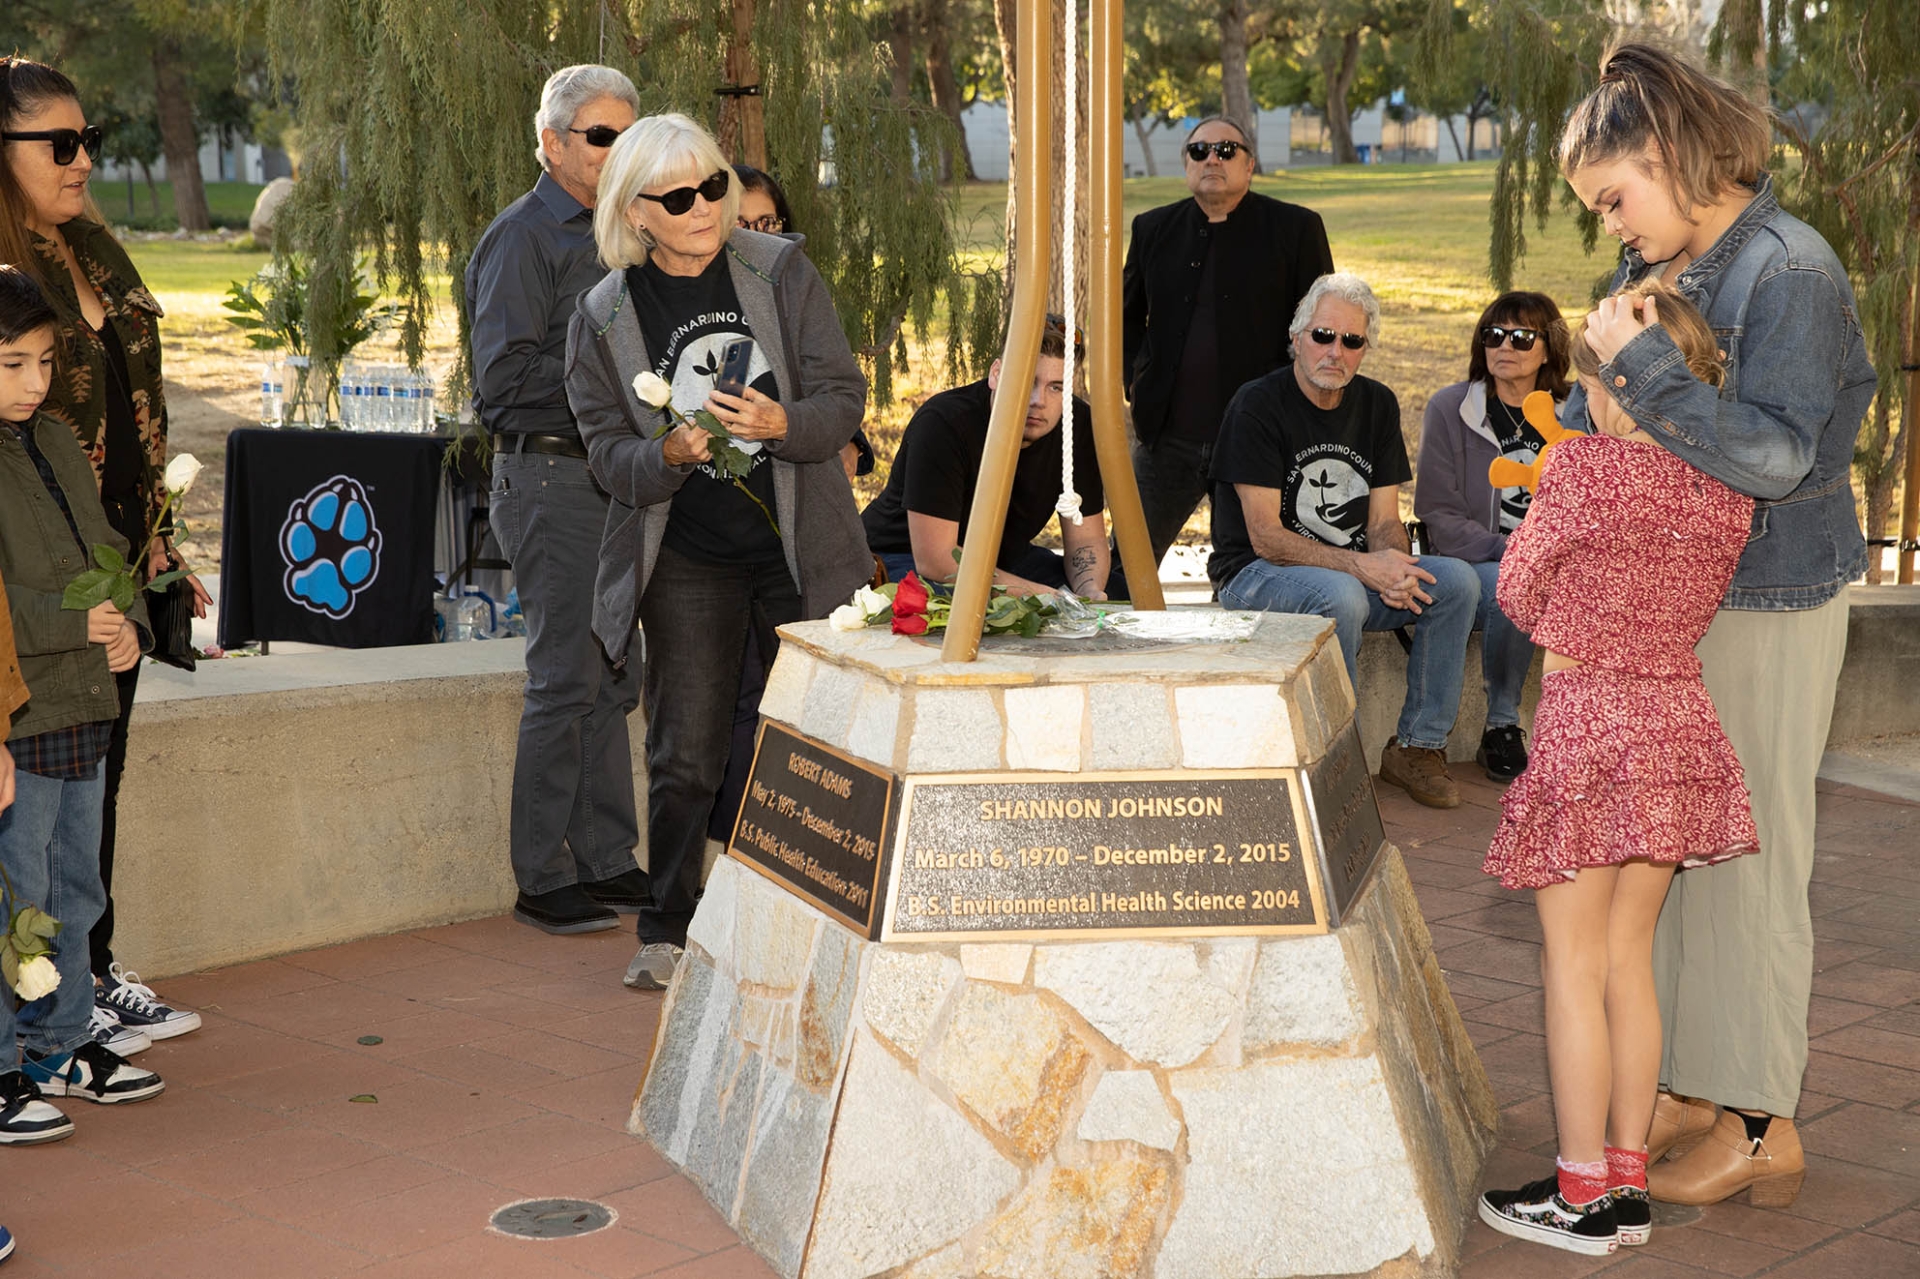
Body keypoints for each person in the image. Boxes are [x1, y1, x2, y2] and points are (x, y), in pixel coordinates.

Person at [1561, 42, 1875, 1209]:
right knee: (1681, 852)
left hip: (1774, 597)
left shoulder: (1789, 273)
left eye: (1614, 197)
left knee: (1747, 859)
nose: (1614, 227)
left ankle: (1756, 1119)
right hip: (1700, 603)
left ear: (1672, 156)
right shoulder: (1709, 266)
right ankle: (1695, 1082)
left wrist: (1639, 362)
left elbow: (1783, 459)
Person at [1476, 278, 1757, 1255]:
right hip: (1678, 718)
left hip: (1593, 717)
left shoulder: (1585, 472)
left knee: (1572, 962)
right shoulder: (1726, 483)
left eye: (1593, 375)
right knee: (1629, 961)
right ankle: (1628, 1183)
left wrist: (1573, 623)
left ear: (1617, 382)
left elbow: (1516, 590)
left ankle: (1579, 1190)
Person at [567, 113, 871, 990]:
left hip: (796, 544)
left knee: (816, 735)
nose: (703, 207)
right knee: (687, 750)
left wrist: (786, 422)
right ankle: (668, 926)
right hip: (689, 557)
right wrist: (663, 454)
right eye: (679, 196)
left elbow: (843, 397)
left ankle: (819, 915)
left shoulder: (778, 271)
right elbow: (605, 456)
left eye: (711, 187)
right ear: (636, 213)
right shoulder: (604, 317)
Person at [1, 55, 204, 1046]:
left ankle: (87, 971)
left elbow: (136, 408)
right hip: (40, 562)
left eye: (89, 140)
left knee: (98, 779)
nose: (82, 161)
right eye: (61, 144)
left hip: (122, 544)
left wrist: (163, 546)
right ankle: (38, 1007)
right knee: (32, 807)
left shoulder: (92, 245)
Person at [468, 65, 651, 936]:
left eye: (629, 134)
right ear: (552, 143)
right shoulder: (524, 237)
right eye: (601, 136)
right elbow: (500, 385)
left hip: (615, 479)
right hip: (549, 475)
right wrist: (617, 379)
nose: (618, 152)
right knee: (565, 678)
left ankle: (610, 860)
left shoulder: (626, 233)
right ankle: (542, 875)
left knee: (616, 676)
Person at [1208, 272, 1479, 809]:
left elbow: (1382, 520)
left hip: (1347, 576)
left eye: (1351, 341)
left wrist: (1396, 566)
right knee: (1342, 595)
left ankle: (1418, 748)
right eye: (1323, 335)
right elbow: (1265, 538)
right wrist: (1365, 569)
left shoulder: (1377, 405)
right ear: (1296, 336)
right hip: (1254, 576)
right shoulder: (1256, 405)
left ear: (1364, 348)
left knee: (1455, 582)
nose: (1335, 351)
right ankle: (1337, 760)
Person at [0, 264, 165, 1141]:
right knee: (14, 899)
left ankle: (57, 1043)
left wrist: (130, 616)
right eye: (11, 364)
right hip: (18, 710)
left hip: (82, 704)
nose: (33, 383)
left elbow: (108, 544)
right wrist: (79, 618)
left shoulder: (57, 439)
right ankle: (1, 1062)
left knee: (73, 889)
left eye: (43, 362)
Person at [1123, 115, 1334, 569]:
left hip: (1256, 443)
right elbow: (1126, 324)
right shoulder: (1151, 230)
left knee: (1251, 576)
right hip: (1166, 439)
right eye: (1199, 151)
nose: (1212, 158)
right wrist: (1136, 386)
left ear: (1250, 164)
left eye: (1226, 149)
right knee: (1124, 569)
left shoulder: (1296, 229)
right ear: (1187, 165)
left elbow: (1322, 326)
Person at [1414, 292, 1572, 782]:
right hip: (1477, 561)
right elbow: (1438, 515)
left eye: (1523, 337)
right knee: (1512, 583)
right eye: (1494, 335)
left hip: (1560, 560)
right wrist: (1517, 551)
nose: (1506, 346)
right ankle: (1503, 724)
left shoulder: (1574, 414)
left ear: (1548, 349)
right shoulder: (1451, 408)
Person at [862, 316, 1125, 600]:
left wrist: (1089, 592)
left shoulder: (1076, 424)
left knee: (1120, 594)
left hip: (1002, 558)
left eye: (1056, 387)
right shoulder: (944, 423)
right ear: (996, 374)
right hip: (903, 558)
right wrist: (1043, 597)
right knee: (973, 612)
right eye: (1028, 381)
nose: (1039, 400)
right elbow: (937, 561)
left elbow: (1085, 539)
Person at [731, 164, 874, 484]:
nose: (755, 236)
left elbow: (826, 377)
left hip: (797, 471)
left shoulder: (797, 286)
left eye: (767, 223)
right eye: (740, 224)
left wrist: (849, 437)